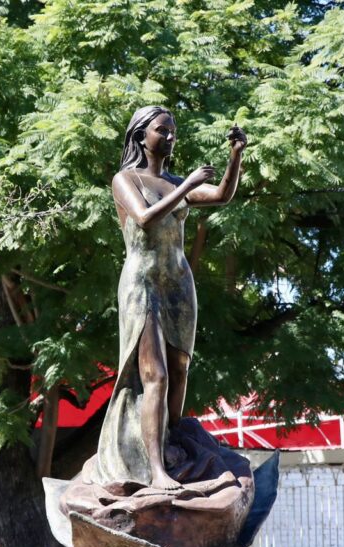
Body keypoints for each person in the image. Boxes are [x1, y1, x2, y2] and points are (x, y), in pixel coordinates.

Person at [87, 105, 247, 491]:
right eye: (163, 130)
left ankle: (172, 445)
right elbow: (144, 218)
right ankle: (156, 469)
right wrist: (187, 186)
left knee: (179, 370)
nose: (171, 136)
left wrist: (235, 156)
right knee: (154, 375)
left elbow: (222, 195)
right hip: (142, 285)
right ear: (141, 136)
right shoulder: (126, 180)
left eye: (173, 130)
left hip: (178, 284)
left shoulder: (175, 182)